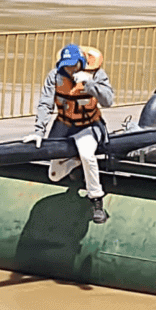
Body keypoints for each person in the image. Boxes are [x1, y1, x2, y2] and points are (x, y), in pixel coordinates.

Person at [24, 44, 115, 223]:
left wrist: (89, 84)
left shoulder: (97, 75)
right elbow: (45, 103)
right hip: (64, 125)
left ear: (81, 62)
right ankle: (75, 163)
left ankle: (96, 200)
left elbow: (108, 100)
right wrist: (38, 131)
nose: (70, 68)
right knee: (54, 174)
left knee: (87, 154)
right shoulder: (55, 76)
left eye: (74, 64)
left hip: (89, 125)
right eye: (66, 65)